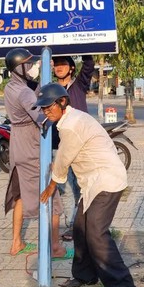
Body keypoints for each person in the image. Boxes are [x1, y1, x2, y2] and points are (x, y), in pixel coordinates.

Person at [37, 83, 136, 287]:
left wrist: (53, 185)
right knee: (80, 228)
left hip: (106, 180)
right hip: (92, 182)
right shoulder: (68, 120)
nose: (46, 111)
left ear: (62, 102)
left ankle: (122, 283)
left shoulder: (71, 124)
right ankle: (85, 276)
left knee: (96, 233)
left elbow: (63, 158)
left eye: (49, 106)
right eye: (43, 108)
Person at [3, 48, 66, 258]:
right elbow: (42, 118)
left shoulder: (11, 87)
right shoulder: (24, 92)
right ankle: (55, 247)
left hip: (17, 146)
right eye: (29, 64)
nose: (32, 68)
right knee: (52, 194)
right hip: (31, 147)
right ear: (20, 68)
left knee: (20, 196)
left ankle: (16, 243)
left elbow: (34, 97)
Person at [52, 55, 95, 241]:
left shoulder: (78, 86)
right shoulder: (50, 90)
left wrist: (81, 45)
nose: (59, 67)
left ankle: (80, 224)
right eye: (56, 64)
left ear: (71, 68)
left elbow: (89, 65)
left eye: (63, 64)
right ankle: (65, 226)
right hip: (58, 147)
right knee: (62, 188)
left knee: (81, 187)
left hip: (79, 147)